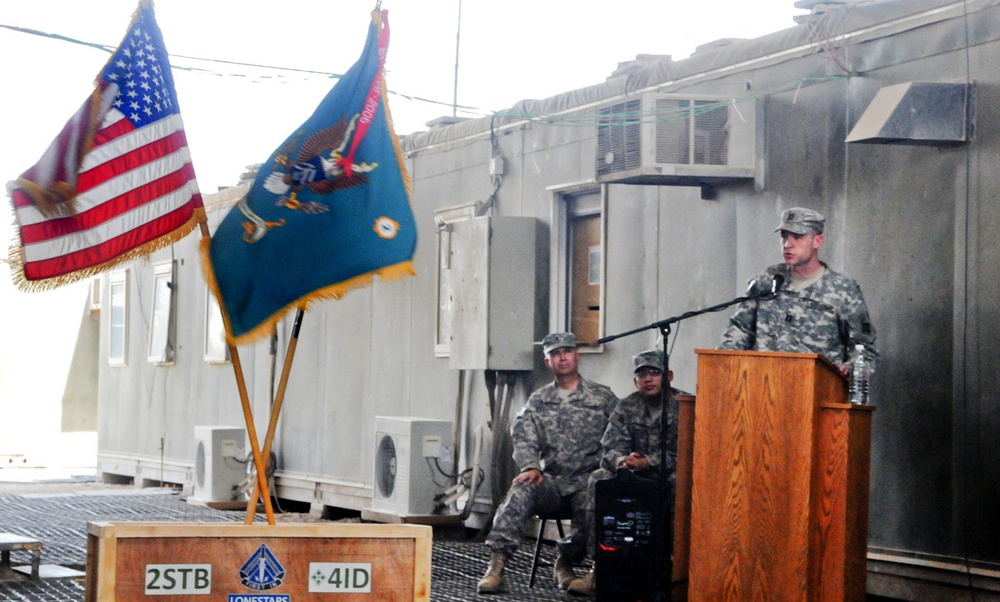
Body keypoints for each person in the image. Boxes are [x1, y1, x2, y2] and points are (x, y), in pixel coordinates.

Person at [477, 332, 619, 595]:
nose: (562, 357)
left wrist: (608, 469)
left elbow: (619, 438)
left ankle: (566, 561)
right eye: (555, 353)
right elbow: (523, 437)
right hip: (552, 482)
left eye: (567, 351)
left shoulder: (603, 398)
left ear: (576, 356)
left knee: (598, 495)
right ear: (548, 362)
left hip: (589, 481)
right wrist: (530, 466)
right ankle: (496, 568)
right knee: (521, 488)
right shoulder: (538, 401)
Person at [566, 348, 680, 597]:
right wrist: (622, 460)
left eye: (654, 372)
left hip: (669, 474)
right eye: (641, 374)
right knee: (599, 480)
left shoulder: (683, 406)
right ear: (634, 380)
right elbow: (609, 446)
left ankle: (676, 571)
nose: (648, 379)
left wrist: (647, 462)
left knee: (679, 484)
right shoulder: (627, 406)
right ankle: (600, 569)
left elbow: (688, 452)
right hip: (634, 476)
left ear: (668, 376)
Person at [719, 207, 879, 375]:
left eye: (797, 237)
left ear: (817, 241)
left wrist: (851, 368)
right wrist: (722, 361)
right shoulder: (768, 280)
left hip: (816, 392)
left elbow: (865, 349)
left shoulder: (843, 290)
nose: (788, 245)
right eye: (784, 237)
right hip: (762, 386)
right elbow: (740, 329)